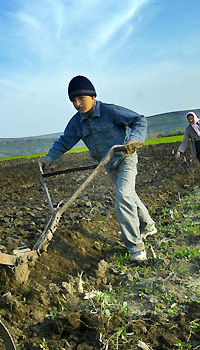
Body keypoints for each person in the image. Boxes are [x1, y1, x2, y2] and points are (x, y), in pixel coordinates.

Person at [39, 75, 156, 262]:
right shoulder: (77, 122)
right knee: (128, 194)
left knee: (124, 196)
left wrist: (134, 140)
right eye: (73, 101)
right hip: (108, 163)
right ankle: (148, 225)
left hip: (125, 157)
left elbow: (139, 120)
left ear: (92, 96)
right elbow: (64, 142)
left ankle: (136, 249)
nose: (77, 104)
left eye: (81, 99)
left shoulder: (111, 111)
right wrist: (49, 159)